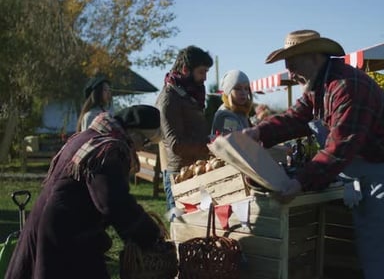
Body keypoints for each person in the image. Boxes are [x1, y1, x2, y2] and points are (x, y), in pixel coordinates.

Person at [242, 29, 384, 279]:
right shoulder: (319, 85)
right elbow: (295, 118)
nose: (290, 73)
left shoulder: (347, 87)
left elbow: (340, 147)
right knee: (368, 256)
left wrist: (299, 182)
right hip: (362, 178)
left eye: (293, 64)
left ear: (316, 57)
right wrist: (258, 132)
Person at [6, 105, 164, 279]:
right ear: (135, 133)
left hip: (57, 224)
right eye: (146, 141)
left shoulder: (91, 137)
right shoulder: (108, 149)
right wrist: (149, 234)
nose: (142, 148)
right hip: (64, 234)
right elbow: (113, 202)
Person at [155, 45, 214, 219]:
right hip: (178, 176)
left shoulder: (190, 94)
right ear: (186, 70)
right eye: (202, 72)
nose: (205, 78)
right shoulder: (169, 98)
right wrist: (209, 145)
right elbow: (176, 144)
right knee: (181, 228)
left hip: (196, 170)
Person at [211, 70, 253, 135]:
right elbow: (237, 138)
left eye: (246, 88)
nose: (243, 93)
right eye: (238, 88)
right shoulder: (225, 115)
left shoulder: (241, 111)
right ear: (228, 91)